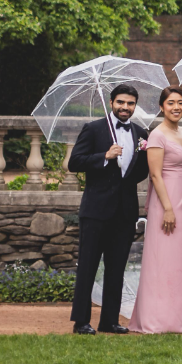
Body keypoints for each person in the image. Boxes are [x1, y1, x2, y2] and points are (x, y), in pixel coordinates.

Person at [68, 84, 151, 335]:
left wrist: (144, 156)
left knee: (116, 268)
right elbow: (75, 163)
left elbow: (139, 173)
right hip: (95, 210)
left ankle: (109, 321)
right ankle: (81, 321)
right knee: (88, 266)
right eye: (121, 103)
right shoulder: (93, 129)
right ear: (112, 102)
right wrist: (105, 156)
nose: (125, 108)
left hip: (125, 211)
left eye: (130, 104)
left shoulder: (140, 133)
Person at [131, 86, 182, 334]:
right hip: (166, 201)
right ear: (161, 106)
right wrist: (168, 208)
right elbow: (155, 175)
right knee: (162, 259)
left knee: (180, 260)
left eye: (180, 102)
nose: (176, 107)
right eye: (171, 103)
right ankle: (157, 318)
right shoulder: (157, 135)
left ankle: (178, 317)